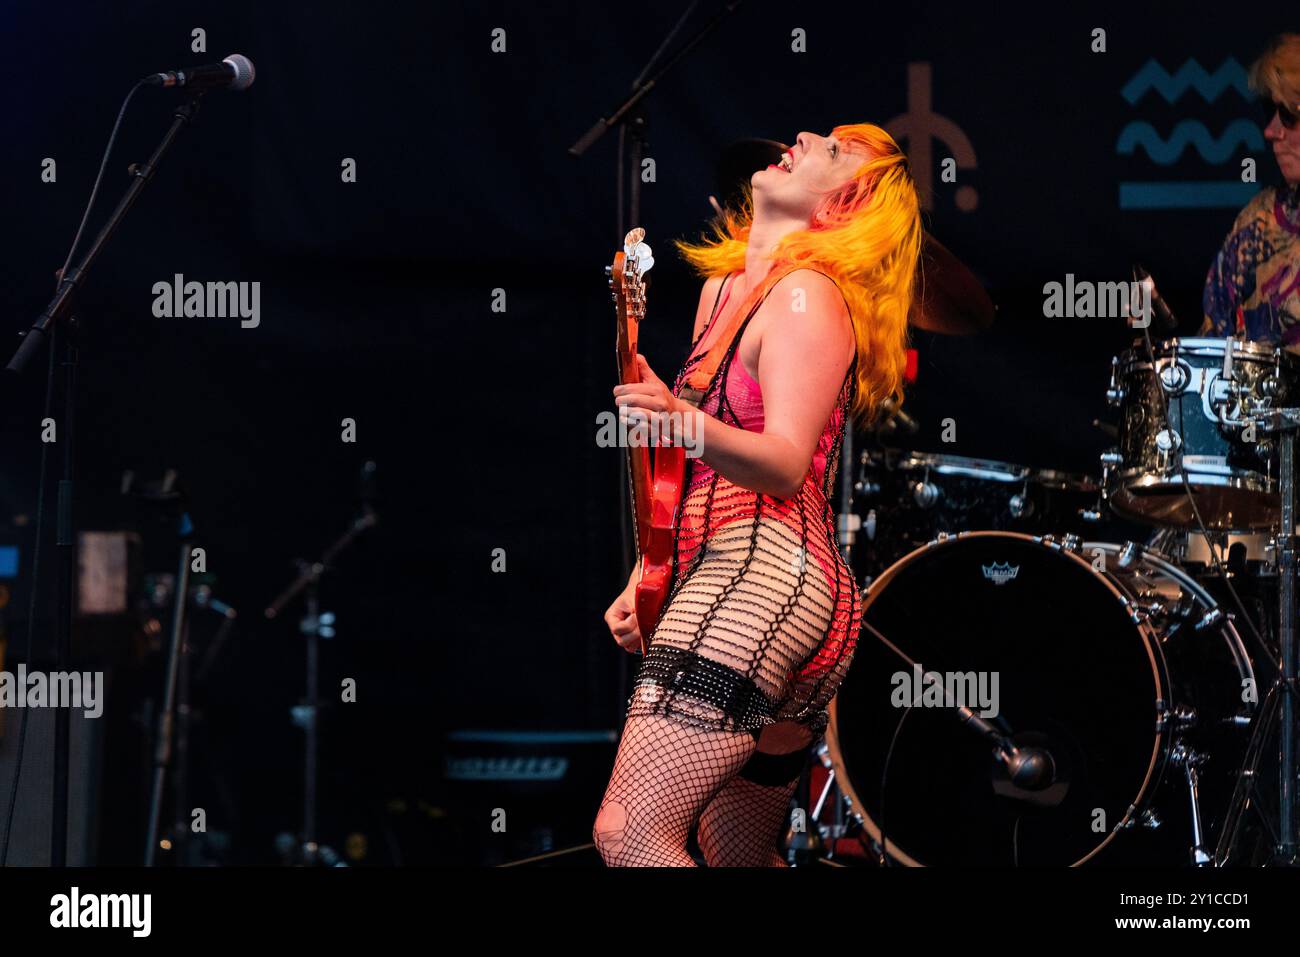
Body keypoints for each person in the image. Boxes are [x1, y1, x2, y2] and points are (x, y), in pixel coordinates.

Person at [596, 124, 922, 866]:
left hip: (765, 575)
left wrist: (678, 418)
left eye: (834, 150)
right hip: (742, 576)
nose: (805, 136)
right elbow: (701, 470)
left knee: (629, 834)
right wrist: (646, 575)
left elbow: (781, 463)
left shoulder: (808, 295)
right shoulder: (724, 292)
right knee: (738, 859)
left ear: (847, 205)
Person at [1200, 34, 1300, 345]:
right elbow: (1211, 354)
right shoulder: (1256, 225)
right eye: (1269, 110)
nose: (1271, 131)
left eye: (1290, 114)